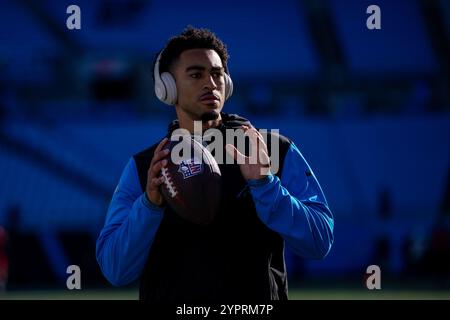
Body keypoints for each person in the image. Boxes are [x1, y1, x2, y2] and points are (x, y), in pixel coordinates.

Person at [96, 26, 334, 301]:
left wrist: (265, 185)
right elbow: (115, 270)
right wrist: (149, 205)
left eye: (217, 74)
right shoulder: (147, 166)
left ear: (228, 83)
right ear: (167, 87)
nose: (210, 83)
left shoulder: (273, 150)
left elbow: (319, 242)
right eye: (196, 74)